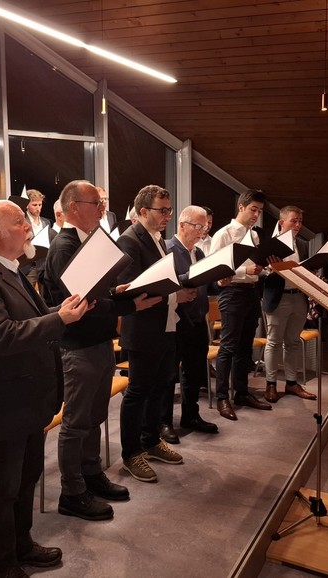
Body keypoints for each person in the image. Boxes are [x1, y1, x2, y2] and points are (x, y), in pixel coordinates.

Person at [0, 199, 90, 578]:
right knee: (4, 487)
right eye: (19, 222)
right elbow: (3, 336)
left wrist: (55, 311)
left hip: (27, 395)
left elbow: (26, 318)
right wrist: (59, 320)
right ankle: (1, 563)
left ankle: (22, 543)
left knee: (28, 475)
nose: (29, 227)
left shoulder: (9, 269)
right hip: (5, 399)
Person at [43, 180, 160, 520]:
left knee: (95, 418)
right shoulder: (63, 246)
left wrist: (119, 291)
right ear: (73, 207)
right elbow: (80, 301)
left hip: (97, 342)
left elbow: (97, 292)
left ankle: (92, 474)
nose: (102, 209)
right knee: (77, 423)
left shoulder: (87, 240)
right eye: (96, 202)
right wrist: (126, 305)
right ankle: (72, 491)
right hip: (77, 345)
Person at [116, 184, 195, 483]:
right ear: (143, 211)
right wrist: (173, 292)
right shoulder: (130, 239)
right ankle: (131, 453)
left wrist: (179, 292)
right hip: (144, 327)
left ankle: (150, 441)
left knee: (161, 386)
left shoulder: (157, 238)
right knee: (137, 392)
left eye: (169, 210)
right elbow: (129, 285)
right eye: (162, 211)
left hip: (165, 323)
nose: (168, 216)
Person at [210, 189, 271, 420]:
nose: (256, 214)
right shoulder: (223, 234)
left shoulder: (255, 236)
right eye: (253, 209)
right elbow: (215, 268)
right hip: (232, 292)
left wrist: (265, 268)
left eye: (260, 211)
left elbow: (257, 267)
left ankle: (242, 392)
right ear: (241, 207)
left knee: (245, 347)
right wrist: (246, 270)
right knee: (228, 347)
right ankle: (222, 398)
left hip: (251, 292)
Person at [160, 205, 219, 443]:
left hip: (197, 320)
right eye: (198, 226)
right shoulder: (167, 249)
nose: (202, 232)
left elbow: (207, 287)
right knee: (169, 374)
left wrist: (220, 282)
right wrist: (186, 281)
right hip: (176, 321)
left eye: (204, 227)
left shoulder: (199, 253)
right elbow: (165, 283)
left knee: (194, 372)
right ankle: (163, 422)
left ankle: (190, 415)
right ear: (182, 225)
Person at [261, 206, 316, 402]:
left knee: (293, 342)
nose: (298, 225)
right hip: (278, 298)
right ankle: (271, 384)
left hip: (298, 297)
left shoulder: (302, 244)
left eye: (300, 221)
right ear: (282, 222)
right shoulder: (269, 243)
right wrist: (270, 270)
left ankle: (292, 383)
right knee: (274, 342)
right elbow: (260, 274)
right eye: (294, 220)